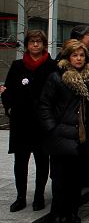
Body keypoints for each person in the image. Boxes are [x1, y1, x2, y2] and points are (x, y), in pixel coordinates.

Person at [39, 39, 89, 223]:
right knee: (59, 178)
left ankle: (73, 212)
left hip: (82, 135)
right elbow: (44, 105)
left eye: (82, 55)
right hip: (61, 134)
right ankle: (57, 214)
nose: (79, 59)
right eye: (75, 55)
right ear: (67, 57)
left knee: (77, 178)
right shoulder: (57, 77)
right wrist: (52, 128)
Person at [2, 30, 57, 213]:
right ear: (27, 44)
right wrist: (9, 108)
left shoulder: (52, 66)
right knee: (21, 161)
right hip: (21, 122)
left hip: (42, 123)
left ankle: (39, 196)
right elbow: (7, 90)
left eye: (39, 42)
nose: (35, 45)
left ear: (44, 44)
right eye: (32, 42)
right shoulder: (18, 66)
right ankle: (20, 197)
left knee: (42, 161)